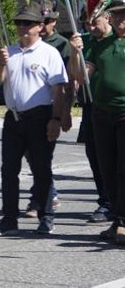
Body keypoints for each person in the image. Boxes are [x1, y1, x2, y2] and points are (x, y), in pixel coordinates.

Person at [0, 2, 70, 237]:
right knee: (9, 170)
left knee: (41, 169)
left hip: (40, 116)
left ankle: (46, 217)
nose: (22, 27)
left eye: (28, 23)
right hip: (14, 118)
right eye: (19, 23)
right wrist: (2, 64)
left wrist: (55, 118)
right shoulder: (9, 52)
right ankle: (9, 218)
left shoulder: (49, 53)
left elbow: (59, 89)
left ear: (39, 27)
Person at [68, 0, 125, 244]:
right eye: (117, 14)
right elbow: (82, 76)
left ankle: (123, 221)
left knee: (124, 169)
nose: (121, 18)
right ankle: (117, 217)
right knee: (107, 169)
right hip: (101, 114)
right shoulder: (99, 44)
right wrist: (75, 53)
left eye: (124, 14)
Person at [25, 0, 69, 217]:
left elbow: (69, 83)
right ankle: (44, 195)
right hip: (28, 111)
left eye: (49, 21)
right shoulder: (28, 44)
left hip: (50, 108)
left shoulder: (62, 44)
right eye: (41, 20)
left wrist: (64, 113)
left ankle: (42, 199)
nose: (45, 25)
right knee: (32, 157)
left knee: (41, 158)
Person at [72, 12, 114, 223]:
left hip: (116, 107)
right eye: (86, 23)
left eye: (94, 22)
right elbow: (80, 76)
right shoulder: (85, 41)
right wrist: (75, 53)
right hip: (92, 106)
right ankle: (105, 201)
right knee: (96, 155)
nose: (90, 27)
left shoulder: (117, 39)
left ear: (107, 17)